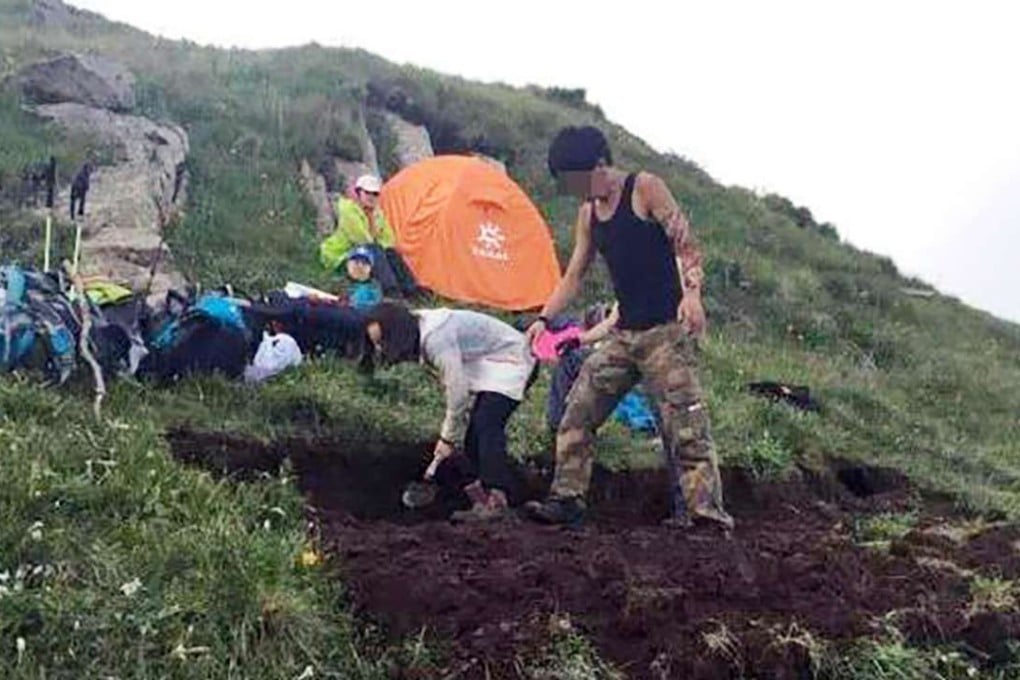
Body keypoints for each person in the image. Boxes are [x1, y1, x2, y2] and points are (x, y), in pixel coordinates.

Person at [522, 125, 733, 532]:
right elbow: (574, 274)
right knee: (578, 411)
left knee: (686, 428)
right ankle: (567, 499)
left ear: (600, 165)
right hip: (622, 336)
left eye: (578, 180)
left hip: (666, 334)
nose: (577, 192)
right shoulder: (588, 214)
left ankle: (706, 517)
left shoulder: (645, 188)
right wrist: (543, 319)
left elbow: (686, 245)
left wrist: (692, 295)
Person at [363, 302, 536, 522]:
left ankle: (496, 500)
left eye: (383, 342)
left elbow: (457, 391)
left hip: (512, 359)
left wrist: (447, 438)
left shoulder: (436, 339)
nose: (381, 350)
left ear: (397, 333)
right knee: (476, 434)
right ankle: (486, 495)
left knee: (487, 425)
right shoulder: (418, 327)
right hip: (490, 364)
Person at [319, 174, 418, 297]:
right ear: (358, 193)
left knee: (391, 252)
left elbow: (389, 239)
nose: (371, 197)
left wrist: (384, 249)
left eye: (375, 194)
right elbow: (360, 239)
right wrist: (379, 247)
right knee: (374, 249)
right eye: (367, 193)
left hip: (365, 256)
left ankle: (411, 289)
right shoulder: (348, 210)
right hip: (341, 257)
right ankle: (390, 290)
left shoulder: (377, 214)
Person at [343, 245, 383, 310]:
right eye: (356, 262)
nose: (360, 266)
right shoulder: (338, 284)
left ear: (370, 268)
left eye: (364, 263)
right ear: (348, 265)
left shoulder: (373, 287)